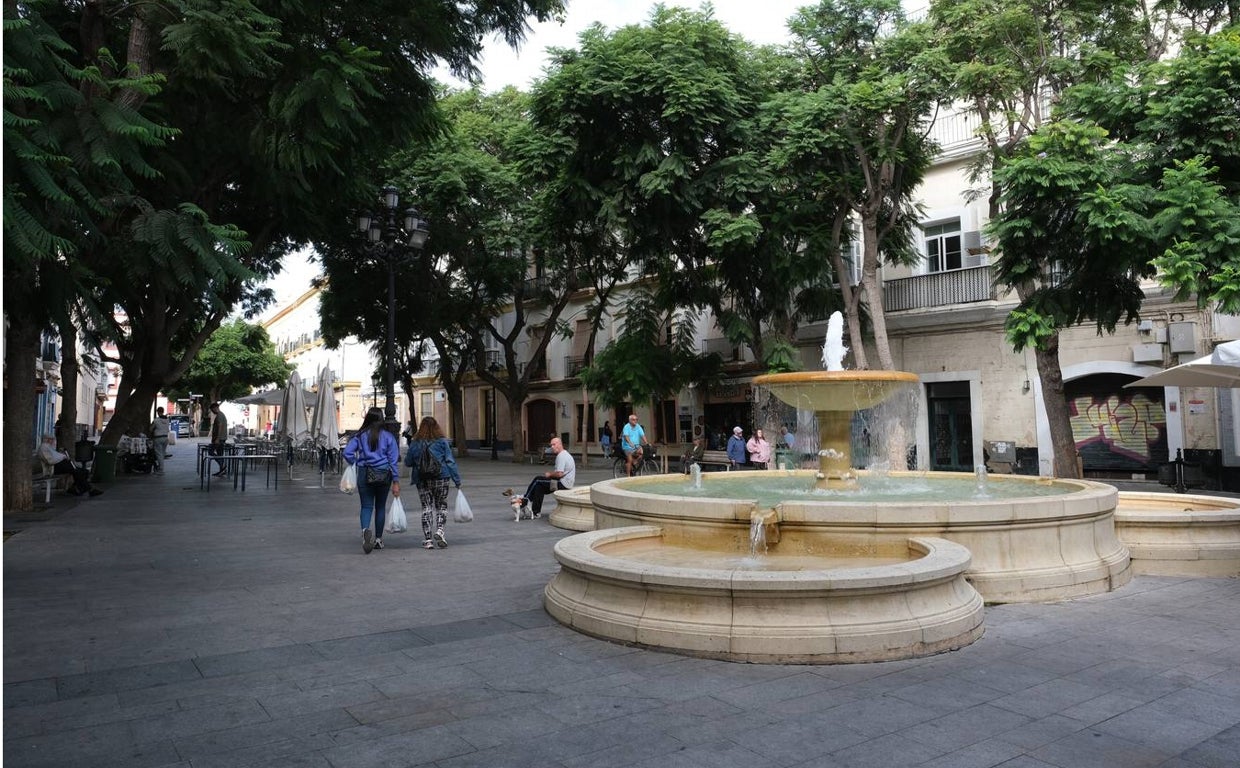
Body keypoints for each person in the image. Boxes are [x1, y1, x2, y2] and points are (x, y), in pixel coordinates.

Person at [343, 407, 401, 554]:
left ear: (367, 419)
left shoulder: (359, 436)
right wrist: (395, 480)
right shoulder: (388, 437)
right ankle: (378, 540)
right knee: (380, 507)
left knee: (366, 506)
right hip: (384, 473)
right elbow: (393, 460)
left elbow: (347, 452)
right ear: (381, 419)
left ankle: (365, 532)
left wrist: (354, 461)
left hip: (364, 472)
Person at [404, 416, 461, 550]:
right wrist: (457, 480)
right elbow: (450, 461)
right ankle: (440, 531)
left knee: (426, 508)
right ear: (436, 427)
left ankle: (428, 540)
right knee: (441, 505)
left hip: (422, 478)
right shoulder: (442, 442)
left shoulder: (415, 442)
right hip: (441, 477)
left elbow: (407, 462)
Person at [506, 436, 576, 518]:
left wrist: (550, 474)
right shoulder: (564, 454)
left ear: (560, 444)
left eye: (554, 444)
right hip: (564, 482)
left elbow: (559, 474)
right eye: (551, 445)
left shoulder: (561, 456)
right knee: (539, 487)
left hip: (563, 483)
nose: (552, 447)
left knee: (538, 479)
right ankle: (536, 513)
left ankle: (526, 498)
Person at [37, 434, 103, 497]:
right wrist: (62, 457)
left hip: (58, 466)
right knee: (77, 472)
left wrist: (62, 456)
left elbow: (56, 456)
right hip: (52, 468)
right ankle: (89, 489)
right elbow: (50, 461)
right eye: (50, 439)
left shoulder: (48, 447)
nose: (52, 441)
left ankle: (76, 488)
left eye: (52, 439)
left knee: (84, 472)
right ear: (46, 439)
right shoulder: (44, 448)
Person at [208, 402, 229, 477]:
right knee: (220, 454)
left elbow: (220, 427)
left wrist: (217, 438)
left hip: (219, 439)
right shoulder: (221, 415)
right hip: (221, 438)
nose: (212, 411)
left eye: (212, 410)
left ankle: (222, 466)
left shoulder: (219, 415)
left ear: (215, 408)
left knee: (210, 451)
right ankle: (222, 470)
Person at [149, 408, 170, 475]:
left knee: (159, 454)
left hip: (158, 438)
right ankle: (160, 468)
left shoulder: (156, 420)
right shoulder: (167, 420)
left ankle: (161, 470)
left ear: (158, 412)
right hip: (166, 438)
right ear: (163, 411)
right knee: (162, 454)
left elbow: (151, 429)